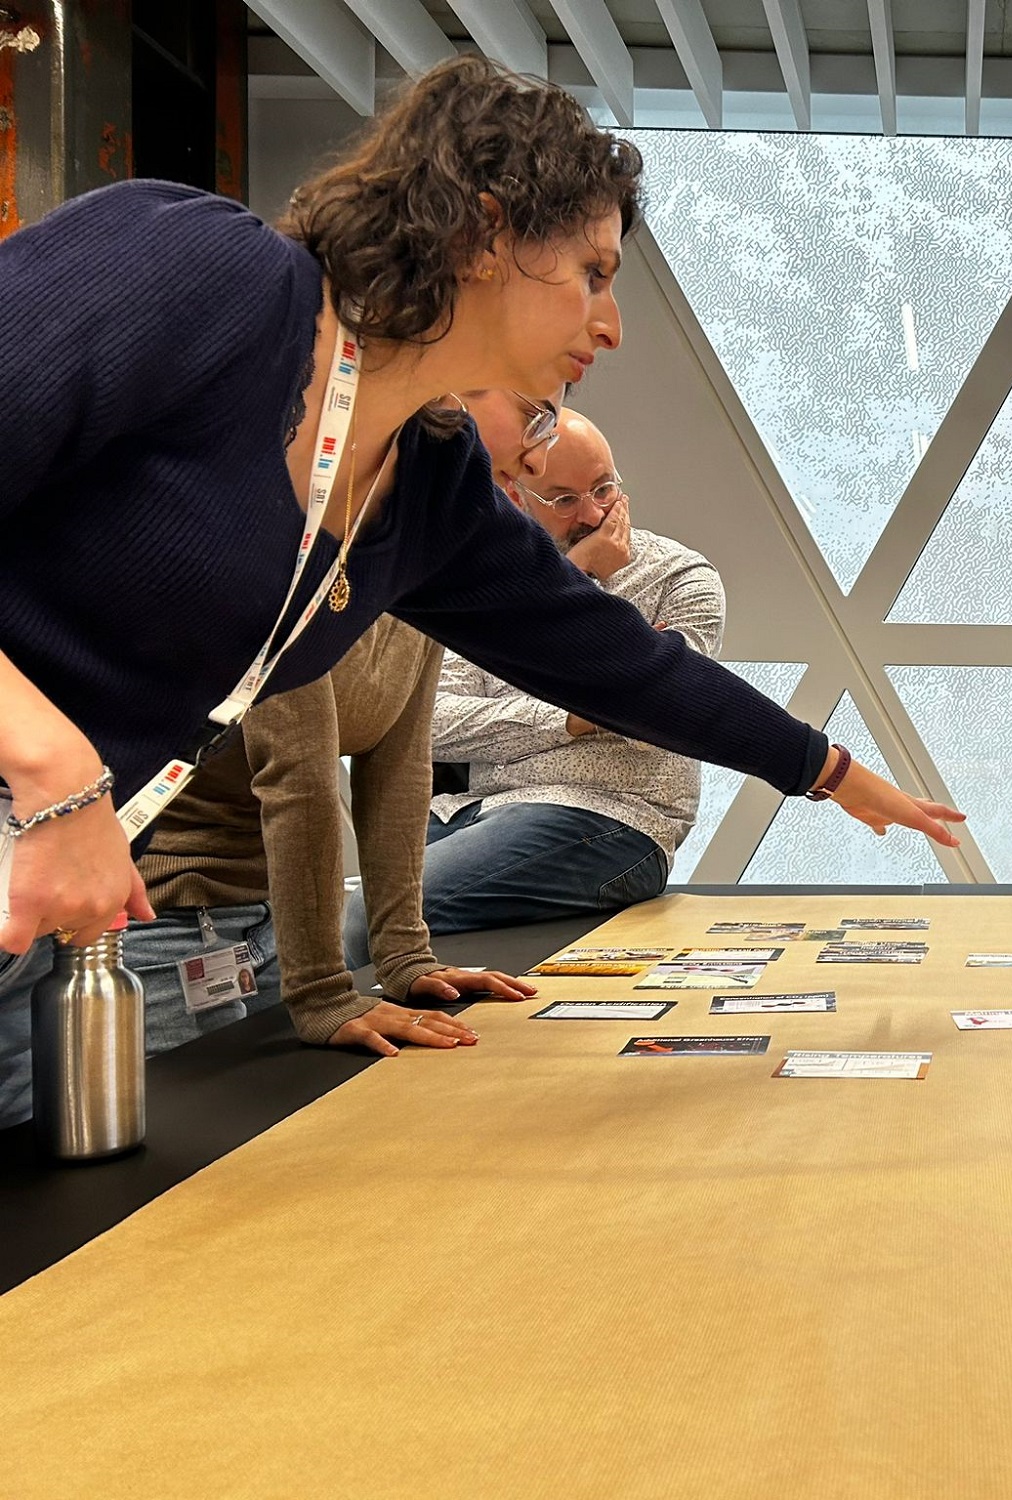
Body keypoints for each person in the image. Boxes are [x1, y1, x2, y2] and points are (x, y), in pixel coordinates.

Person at [0, 56, 961, 1129]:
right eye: (593, 271)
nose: (611, 323)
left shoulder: (431, 480)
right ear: (489, 230)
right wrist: (51, 766)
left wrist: (822, 767)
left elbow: (611, 657)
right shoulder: (195, 267)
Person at [344, 404, 717, 954]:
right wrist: (570, 716)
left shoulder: (680, 577)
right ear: (513, 495)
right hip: (462, 811)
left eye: (605, 489)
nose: (593, 515)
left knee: (361, 922)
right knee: (310, 922)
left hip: (608, 814)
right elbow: (425, 722)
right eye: (565, 500)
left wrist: (577, 591)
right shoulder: (470, 582)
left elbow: (652, 699)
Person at [135, 614, 534, 1058]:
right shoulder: (288, 565)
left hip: (272, 925)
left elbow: (400, 768)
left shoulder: (416, 573)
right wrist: (322, 993)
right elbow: (300, 780)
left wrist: (405, 953)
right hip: (164, 925)